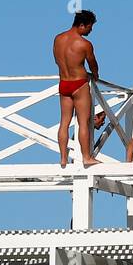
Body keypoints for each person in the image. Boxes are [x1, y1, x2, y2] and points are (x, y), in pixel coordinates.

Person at [53, 10, 101, 168]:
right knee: (83, 122)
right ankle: (86, 157)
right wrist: (95, 74)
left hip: (64, 83)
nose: (90, 30)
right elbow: (92, 63)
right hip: (78, 83)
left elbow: (57, 60)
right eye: (89, 27)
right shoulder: (84, 44)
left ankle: (63, 158)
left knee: (64, 122)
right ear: (82, 25)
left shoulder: (58, 39)